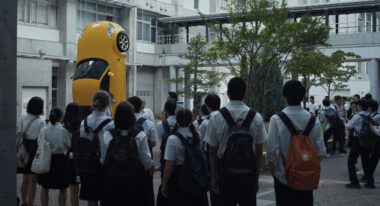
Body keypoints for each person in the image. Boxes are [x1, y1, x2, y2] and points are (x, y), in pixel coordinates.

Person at [205, 77, 266, 206]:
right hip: (248, 172)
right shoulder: (256, 117)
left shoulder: (216, 117)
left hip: (225, 172)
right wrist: (256, 178)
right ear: (245, 93)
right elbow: (259, 153)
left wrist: (214, 176)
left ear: (228, 93)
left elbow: (212, 150)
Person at [267, 80, 326, 206]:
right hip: (306, 179)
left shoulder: (276, 119)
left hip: (283, 178)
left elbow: (271, 153)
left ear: (284, 96)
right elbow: (321, 152)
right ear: (303, 96)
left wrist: (275, 173)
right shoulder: (313, 120)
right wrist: (305, 166)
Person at [102, 101, 155, 206]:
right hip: (134, 183)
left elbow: (104, 160)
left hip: (113, 184)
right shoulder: (140, 135)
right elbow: (147, 162)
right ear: (132, 117)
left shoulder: (108, 135)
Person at [161, 108, 208, 206]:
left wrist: (164, 183)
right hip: (195, 178)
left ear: (177, 120)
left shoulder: (172, 139)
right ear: (191, 120)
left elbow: (169, 165)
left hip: (178, 181)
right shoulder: (196, 135)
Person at [78, 90, 114, 206]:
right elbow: (109, 145)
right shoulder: (110, 123)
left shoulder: (84, 122)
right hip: (104, 164)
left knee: (91, 198)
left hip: (87, 163)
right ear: (108, 104)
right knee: (106, 196)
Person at [37, 108, 71, 206]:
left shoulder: (44, 129)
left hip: (46, 159)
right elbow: (69, 144)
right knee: (63, 188)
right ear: (61, 117)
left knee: (45, 187)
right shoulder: (63, 130)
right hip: (61, 160)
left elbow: (39, 143)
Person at [127, 96, 157, 206]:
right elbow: (153, 143)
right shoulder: (148, 123)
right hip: (145, 163)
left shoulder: (123, 122)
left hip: (127, 161)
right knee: (146, 191)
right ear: (141, 106)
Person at [17, 97, 46, 206]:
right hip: (34, 151)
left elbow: (19, 132)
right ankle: (30, 203)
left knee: (25, 179)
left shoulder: (23, 118)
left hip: (23, 150)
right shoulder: (41, 121)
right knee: (33, 181)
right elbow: (42, 138)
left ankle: (24, 202)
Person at [346, 99, 374, 189]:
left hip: (358, 141)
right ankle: (370, 182)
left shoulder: (357, 116)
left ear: (360, 106)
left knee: (351, 161)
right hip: (367, 141)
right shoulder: (369, 116)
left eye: (357, 105)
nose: (356, 107)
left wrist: (344, 123)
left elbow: (349, 127)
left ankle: (354, 182)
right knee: (366, 162)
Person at [200, 93, 221, 206]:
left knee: (215, 190)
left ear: (207, 106)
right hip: (227, 158)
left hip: (211, 157)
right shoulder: (225, 117)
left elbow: (203, 143)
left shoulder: (207, 121)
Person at [63, 103, 82, 206]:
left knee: (73, 189)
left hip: (69, 160)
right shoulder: (83, 125)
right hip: (82, 158)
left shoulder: (64, 127)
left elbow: (63, 145)